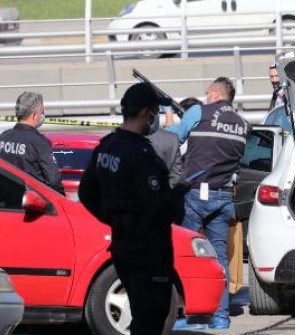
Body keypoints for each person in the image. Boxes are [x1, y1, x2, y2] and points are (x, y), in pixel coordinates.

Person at [78, 83, 190, 335]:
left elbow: (87, 193)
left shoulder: (107, 146)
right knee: (151, 317)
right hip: (148, 248)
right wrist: (178, 192)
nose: (156, 118)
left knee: (141, 312)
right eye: (155, 112)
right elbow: (157, 207)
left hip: (122, 243)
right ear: (144, 113)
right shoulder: (141, 154)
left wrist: (115, 218)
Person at [166, 77, 250, 330]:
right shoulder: (243, 124)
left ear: (215, 93)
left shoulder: (198, 112)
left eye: (206, 94)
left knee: (186, 253)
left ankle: (185, 315)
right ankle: (221, 316)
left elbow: (172, 140)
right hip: (224, 196)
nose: (204, 98)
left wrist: (168, 116)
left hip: (195, 195)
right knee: (219, 258)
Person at [0, 91, 65, 195]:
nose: (43, 115)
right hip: (31, 203)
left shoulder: (1, 139)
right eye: (42, 112)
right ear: (34, 115)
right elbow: (53, 180)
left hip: (5, 202)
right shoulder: (39, 142)